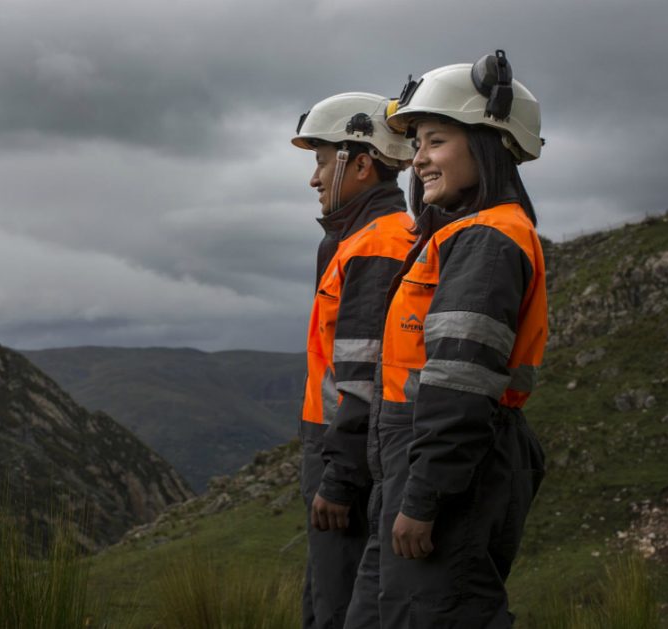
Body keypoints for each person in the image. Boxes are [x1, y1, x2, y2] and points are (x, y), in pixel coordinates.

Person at [354, 50, 548, 628]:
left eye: (435, 142)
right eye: (417, 145)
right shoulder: (458, 234)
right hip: (419, 462)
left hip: (448, 471)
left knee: (439, 615)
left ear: (487, 144)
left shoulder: (488, 239)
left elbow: (459, 383)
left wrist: (425, 497)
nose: (418, 160)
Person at [291, 92, 416, 629]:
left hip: (348, 454)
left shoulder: (378, 244)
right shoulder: (359, 240)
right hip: (340, 447)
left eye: (322, 162)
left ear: (361, 164)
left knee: (338, 609)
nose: (314, 179)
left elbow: (363, 376)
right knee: (325, 600)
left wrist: (340, 478)